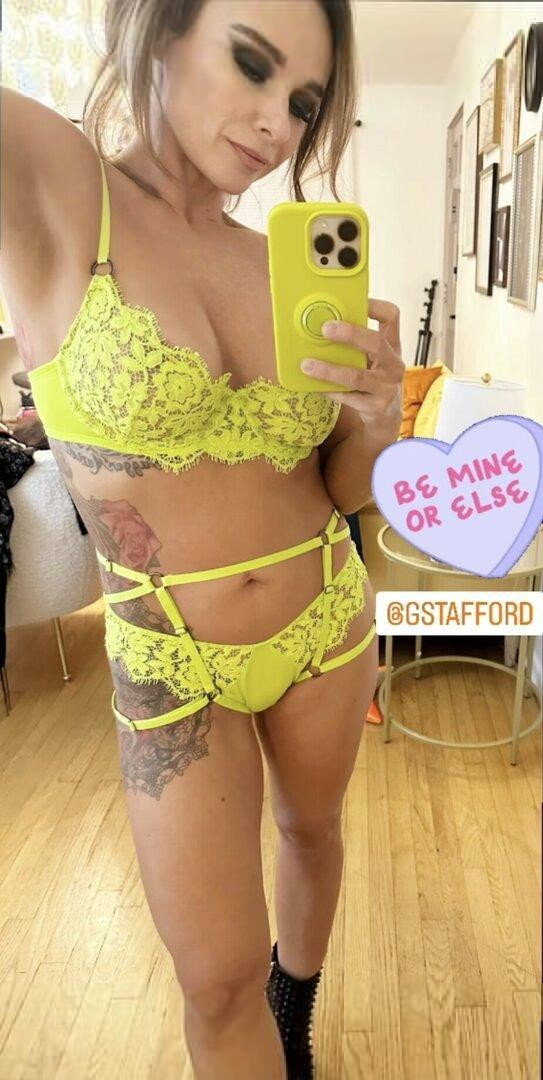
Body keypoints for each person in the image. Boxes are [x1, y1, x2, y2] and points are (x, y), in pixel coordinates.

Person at [1, 2, 404, 1076]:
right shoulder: (57, 189)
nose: (278, 122)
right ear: (164, 30)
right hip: (172, 661)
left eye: (304, 102)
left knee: (312, 834)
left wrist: (376, 425)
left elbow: (339, 487)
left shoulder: (280, 263)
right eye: (252, 64)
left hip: (327, 615)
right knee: (214, 983)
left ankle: (296, 1015)